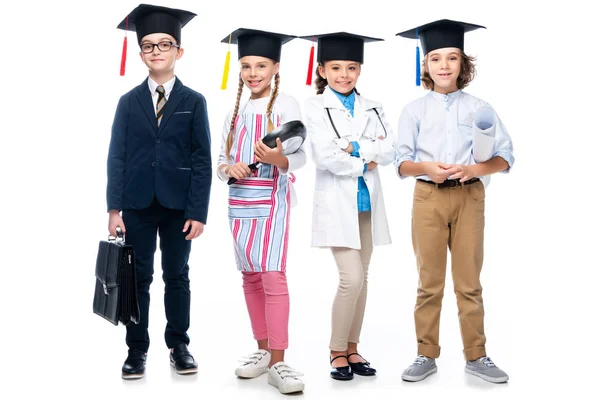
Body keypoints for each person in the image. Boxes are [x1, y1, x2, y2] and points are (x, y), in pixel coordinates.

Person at [395, 19, 514, 383]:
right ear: (425, 65)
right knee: (429, 282)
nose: (444, 66)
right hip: (428, 197)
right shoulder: (414, 111)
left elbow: (505, 157)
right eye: (435, 59)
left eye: (452, 58)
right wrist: (426, 168)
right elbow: (401, 163)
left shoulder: (481, 107)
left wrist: (476, 167)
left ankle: (476, 356)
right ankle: (425, 353)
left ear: (463, 64)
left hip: (469, 198)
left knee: (469, 282)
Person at [106, 4, 212, 380]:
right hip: (136, 204)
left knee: (177, 275)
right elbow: (116, 156)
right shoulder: (128, 102)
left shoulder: (194, 101)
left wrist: (198, 211)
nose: (156, 51)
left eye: (164, 44)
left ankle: (178, 344)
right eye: (148, 46)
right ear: (140, 54)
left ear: (178, 51)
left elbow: (202, 160)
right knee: (138, 279)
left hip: (178, 206)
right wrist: (114, 208)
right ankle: (137, 350)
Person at [301, 32, 395, 381]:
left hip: (366, 203)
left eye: (351, 67)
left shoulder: (373, 105)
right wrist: (365, 155)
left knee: (364, 277)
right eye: (336, 67)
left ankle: (353, 348)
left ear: (360, 69)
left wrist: (352, 147)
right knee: (350, 278)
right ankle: (336, 349)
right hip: (336, 204)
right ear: (322, 69)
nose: (344, 74)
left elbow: (390, 150)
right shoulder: (314, 106)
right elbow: (324, 157)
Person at [216, 28, 305, 394]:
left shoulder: (288, 105)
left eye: (261, 66)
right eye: (247, 66)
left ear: (275, 67)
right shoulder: (234, 112)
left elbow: (300, 155)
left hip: (271, 201)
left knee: (272, 277)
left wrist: (276, 158)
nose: (253, 73)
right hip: (239, 201)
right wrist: (229, 170)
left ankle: (280, 361)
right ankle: (262, 352)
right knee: (250, 277)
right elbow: (221, 160)